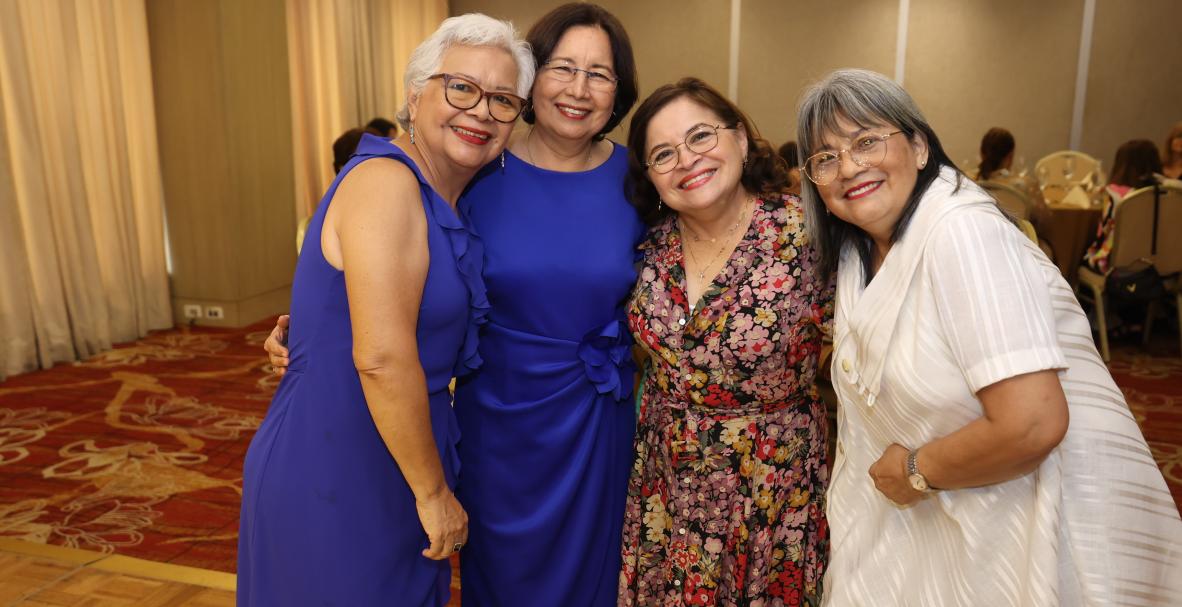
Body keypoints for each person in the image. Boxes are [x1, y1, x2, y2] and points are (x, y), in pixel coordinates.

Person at [266, 4, 643, 605]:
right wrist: (313, 337)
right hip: (486, 421)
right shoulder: (470, 171)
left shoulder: (638, 181)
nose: (578, 88)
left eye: (599, 74)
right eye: (562, 67)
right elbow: (378, 310)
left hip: (593, 423)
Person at [795, 68, 1182, 606]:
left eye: (866, 141)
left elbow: (1032, 423)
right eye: (826, 158)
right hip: (949, 516)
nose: (849, 167)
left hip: (1036, 515)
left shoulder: (962, 233)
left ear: (920, 146)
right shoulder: (859, 253)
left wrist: (915, 470)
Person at [238, 14, 533, 607]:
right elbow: (379, 356)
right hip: (339, 462)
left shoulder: (444, 193)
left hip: (393, 450)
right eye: (461, 88)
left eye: (503, 99)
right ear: (414, 93)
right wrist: (432, 494)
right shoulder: (386, 183)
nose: (481, 111)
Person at [619, 77, 831, 606]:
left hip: (770, 482)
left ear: (739, 138)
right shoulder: (649, 242)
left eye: (700, 137)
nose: (686, 160)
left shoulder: (809, 233)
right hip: (667, 480)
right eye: (663, 153)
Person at [1083, 138, 1163, 273]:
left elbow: (1103, 233)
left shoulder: (1114, 195)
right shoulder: (1169, 192)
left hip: (1118, 268)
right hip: (1162, 267)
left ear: (1122, 164)